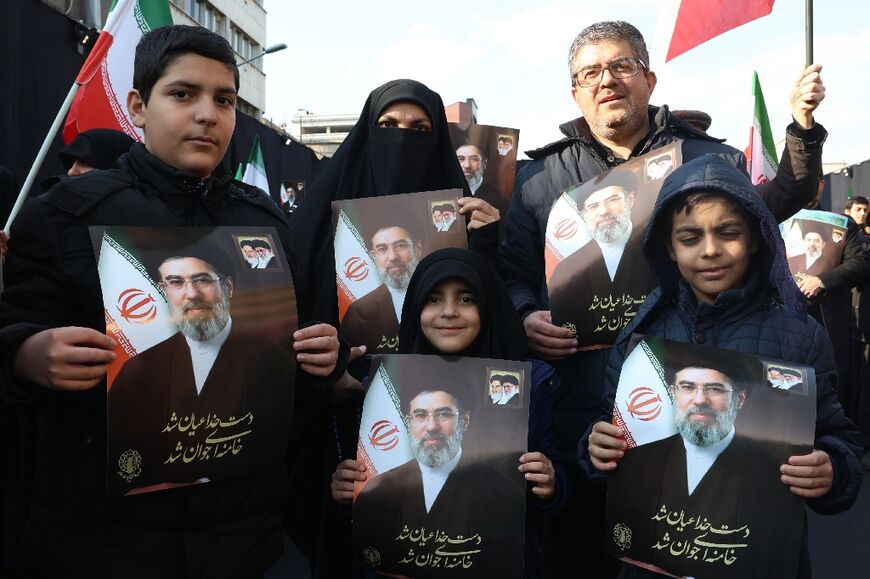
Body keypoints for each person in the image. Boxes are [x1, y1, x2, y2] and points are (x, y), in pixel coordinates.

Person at [0, 26, 342, 578]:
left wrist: (321, 358)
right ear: (138, 105)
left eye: (224, 99)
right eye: (183, 94)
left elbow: (289, 388)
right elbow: (14, 333)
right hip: (100, 544)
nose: (208, 114)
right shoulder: (67, 213)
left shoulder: (266, 223)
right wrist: (25, 355)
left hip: (241, 542)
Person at [498, 20, 828, 577]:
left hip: (695, 392)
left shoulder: (705, 157)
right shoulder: (538, 180)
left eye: (621, 66)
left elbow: (774, 204)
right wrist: (526, 315)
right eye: (590, 73)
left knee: (685, 541)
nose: (607, 80)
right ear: (574, 91)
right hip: (582, 401)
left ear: (649, 79)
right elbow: (511, 273)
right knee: (581, 548)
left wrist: (800, 128)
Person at [582, 154, 863, 578]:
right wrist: (595, 448)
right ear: (669, 249)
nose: (710, 250)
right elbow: (609, 424)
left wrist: (832, 469)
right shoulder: (644, 334)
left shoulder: (799, 337)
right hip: (653, 560)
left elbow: (839, 440)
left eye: (727, 233)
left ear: (755, 238)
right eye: (690, 237)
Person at [288, 79, 498, 579]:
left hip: (438, 418)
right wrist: (323, 379)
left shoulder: (466, 220)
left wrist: (487, 243)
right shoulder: (320, 217)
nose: (402, 138)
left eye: (420, 129)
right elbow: (288, 319)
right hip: (336, 424)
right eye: (388, 126)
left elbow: (486, 318)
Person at [331, 248, 567, 578]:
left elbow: (555, 489)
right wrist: (348, 491)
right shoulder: (381, 388)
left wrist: (550, 485)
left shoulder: (533, 385)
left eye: (467, 299)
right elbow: (365, 515)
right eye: (434, 299)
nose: (449, 312)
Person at [107, 248, 295, 496]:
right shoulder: (138, 370)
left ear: (228, 287)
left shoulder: (275, 361)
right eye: (176, 283)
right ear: (164, 291)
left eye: (202, 280)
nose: (191, 294)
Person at [607, 353, 807, 577]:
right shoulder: (638, 460)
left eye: (714, 389)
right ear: (673, 394)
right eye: (687, 386)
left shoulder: (775, 474)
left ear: (739, 399)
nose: (700, 399)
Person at [341, 224, 423, 353]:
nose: (393, 257)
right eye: (382, 249)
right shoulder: (359, 312)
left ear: (417, 249)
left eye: (400, 246)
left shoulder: (441, 298)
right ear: (374, 257)